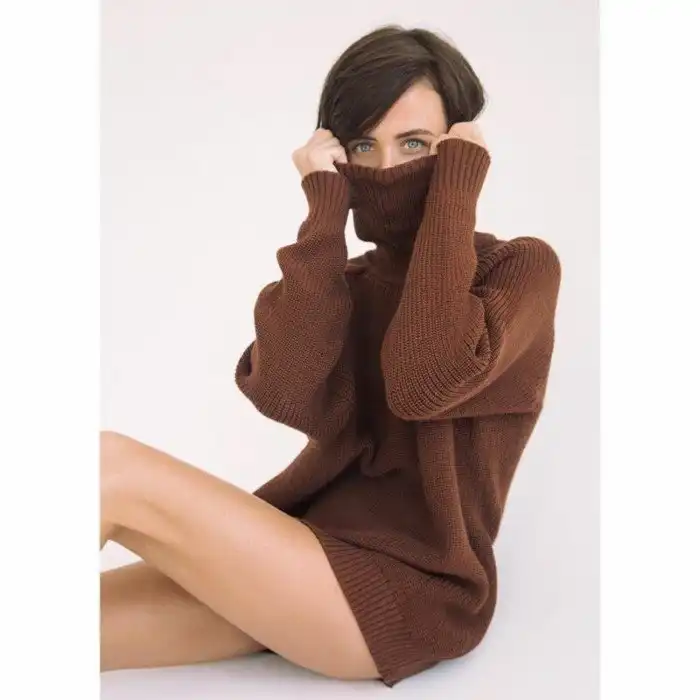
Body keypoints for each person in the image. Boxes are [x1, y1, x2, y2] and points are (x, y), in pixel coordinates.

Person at [100, 25, 561, 688]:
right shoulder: (341, 281)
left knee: (106, 465)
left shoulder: (517, 271)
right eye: (363, 147)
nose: (385, 169)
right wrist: (323, 215)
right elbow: (283, 392)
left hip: (409, 595)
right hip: (302, 562)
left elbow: (425, 381)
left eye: (415, 144)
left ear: (460, 148)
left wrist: (455, 192)